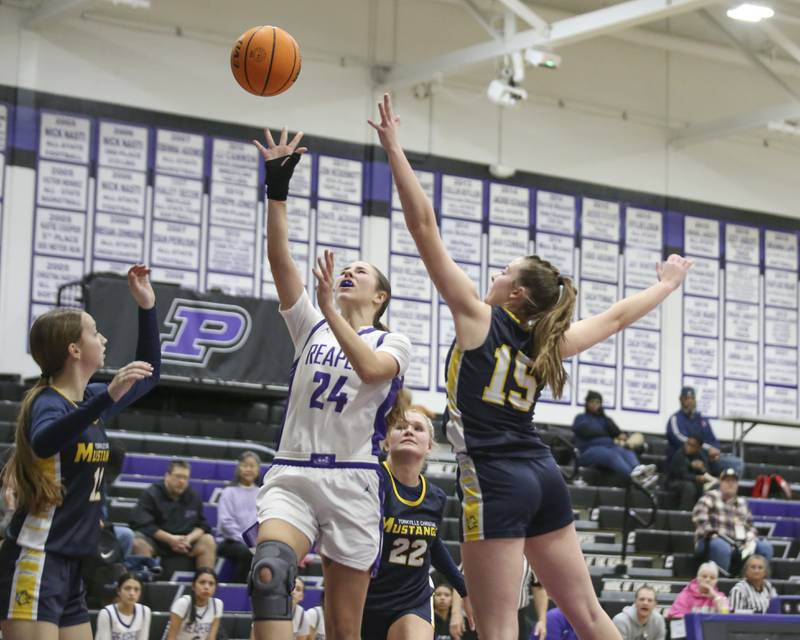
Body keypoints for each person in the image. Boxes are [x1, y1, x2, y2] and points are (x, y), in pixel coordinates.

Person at [370, 92, 692, 640]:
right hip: (543, 475)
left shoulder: (478, 316)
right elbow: (614, 319)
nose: (493, 273)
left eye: (503, 270)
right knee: (590, 615)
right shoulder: (549, 341)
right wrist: (665, 284)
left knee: (496, 629)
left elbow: (423, 226)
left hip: (494, 480)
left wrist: (395, 149)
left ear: (514, 292)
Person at [250, 127, 411, 640]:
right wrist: (278, 190)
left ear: (380, 296)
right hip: (294, 473)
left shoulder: (394, 342)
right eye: (347, 269)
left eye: (361, 272)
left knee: (344, 629)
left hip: (352, 481)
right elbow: (281, 262)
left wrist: (327, 310)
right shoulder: (312, 324)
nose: (349, 273)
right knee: (269, 573)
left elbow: (369, 370)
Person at [0, 264, 159, 640]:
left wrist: (148, 308)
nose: (103, 339)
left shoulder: (88, 400)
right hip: (36, 557)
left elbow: (151, 375)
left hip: (72, 564)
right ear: (74, 349)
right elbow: (44, 440)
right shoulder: (48, 402)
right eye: (94, 332)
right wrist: (107, 396)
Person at [362, 409, 472, 640]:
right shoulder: (369, 480)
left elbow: (432, 544)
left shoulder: (436, 497)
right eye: (401, 427)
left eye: (418, 428)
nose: (409, 431)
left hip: (411, 598)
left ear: (429, 446)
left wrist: (464, 589)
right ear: (385, 442)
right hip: (363, 595)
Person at [130, 459, 217, 570]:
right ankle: (144, 581)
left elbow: (203, 525)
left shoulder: (193, 496)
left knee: (208, 540)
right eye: (178, 476)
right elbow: (143, 525)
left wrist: (188, 539)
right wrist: (170, 539)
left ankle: (206, 579)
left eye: (185, 478)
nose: (181, 481)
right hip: (158, 542)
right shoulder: (151, 494)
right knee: (138, 541)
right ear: (167, 476)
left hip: (186, 543)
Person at [693, 467, 773, 574]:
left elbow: (751, 526)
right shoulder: (710, 497)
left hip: (739, 543)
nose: (730, 484)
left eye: (733, 481)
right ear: (720, 483)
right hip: (711, 541)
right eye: (727, 481)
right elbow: (700, 519)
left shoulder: (742, 502)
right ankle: (722, 585)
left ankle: (758, 585)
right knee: (721, 546)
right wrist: (713, 534)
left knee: (765, 546)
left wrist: (750, 537)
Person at [571, 391, 656, 487]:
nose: (595, 405)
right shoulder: (581, 418)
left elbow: (619, 434)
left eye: (597, 402)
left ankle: (641, 473)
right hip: (588, 451)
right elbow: (586, 430)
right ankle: (633, 478)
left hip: (609, 447)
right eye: (592, 402)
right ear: (587, 403)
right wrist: (608, 433)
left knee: (626, 451)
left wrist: (623, 437)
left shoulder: (605, 420)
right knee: (611, 455)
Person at [665, 387, 743, 476]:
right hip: (685, 461)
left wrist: (715, 452)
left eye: (692, 399)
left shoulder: (702, 420)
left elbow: (713, 440)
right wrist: (708, 449)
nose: (690, 401)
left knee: (736, 463)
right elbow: (681, 440)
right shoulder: (675, 419)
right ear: (681, 400)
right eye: (686, 398)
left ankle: (725, 488)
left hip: (707, 459)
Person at [217, 451, 262, 583]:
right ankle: (240, 587)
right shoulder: (228, 492)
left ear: (258, 469)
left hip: (256, 542)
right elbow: (226, 523)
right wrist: (247, 541)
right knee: (245, 552)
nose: (248, 469)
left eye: (252, 466)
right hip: (231, 542)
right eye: (245, 465)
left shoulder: (262, 493)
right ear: (238, 468)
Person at [165, 567, 222, 640]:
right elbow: (171, 638)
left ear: (215, 588)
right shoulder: (183, 603)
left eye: (211, 584)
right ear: (193, 586)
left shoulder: (217, 604)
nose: (206, 587)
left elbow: (211, 637)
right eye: (202, 582)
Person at [94, 573, 152, 640]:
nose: (132, 593)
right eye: (127, 588)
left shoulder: (145, 611)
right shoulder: (106, 613)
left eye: (136, 589)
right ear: (118, 591)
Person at [667, 435, 715, 510]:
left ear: (698, 448)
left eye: (692, 445)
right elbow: (680, 474)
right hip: (674, 481)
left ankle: (702, 511)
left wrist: (702, 469)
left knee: (708, 486)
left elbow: (708, 474)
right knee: (689, 487)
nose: (688, 447)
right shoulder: (679, 454)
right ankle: (685, 513)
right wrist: (696, 477)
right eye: (687, 443)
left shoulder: (701, 455)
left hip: (693, 482)